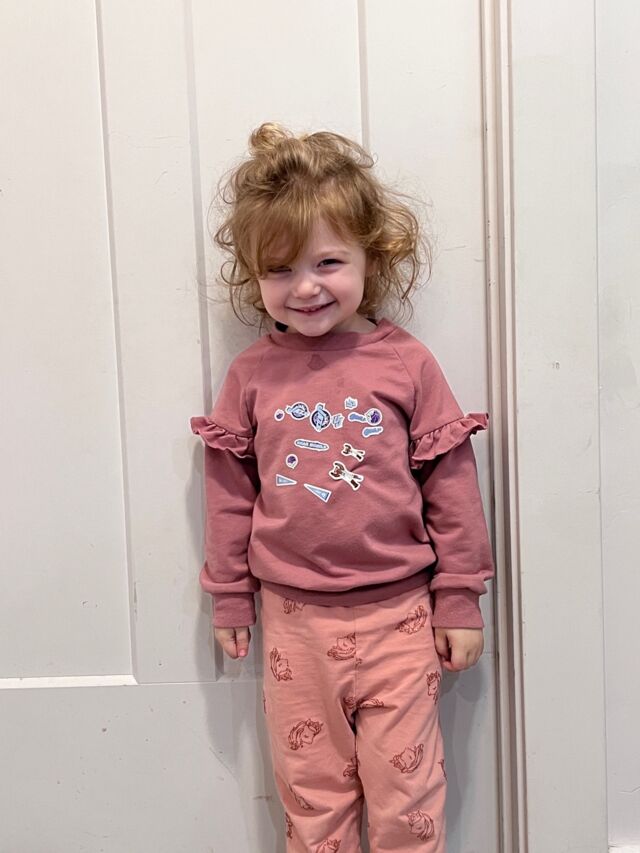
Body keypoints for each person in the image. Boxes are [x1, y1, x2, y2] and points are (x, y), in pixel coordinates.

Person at [190, 122, 495, 852]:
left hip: (401, 617)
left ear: (371, 256)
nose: (305, 287)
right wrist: (229, 593)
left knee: (407, 804)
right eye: (279, 269)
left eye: (328, 261)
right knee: (313, 801)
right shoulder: (251, 375)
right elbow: (229, 495)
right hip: (294, 621)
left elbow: (452, 485)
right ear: (253, 277)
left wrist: (460, 597)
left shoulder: (407, 364)